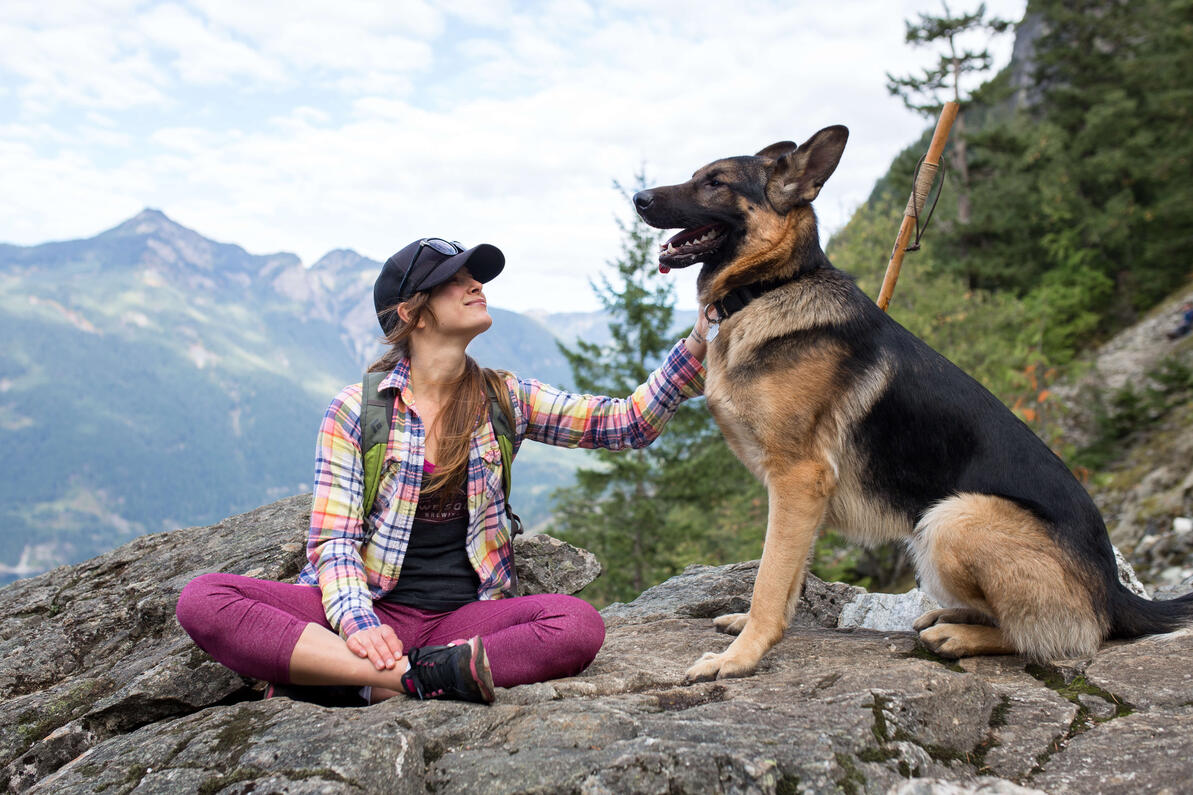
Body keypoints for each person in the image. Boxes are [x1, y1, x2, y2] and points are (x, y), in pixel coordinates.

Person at [176, 237, 709, 705]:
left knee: (578, 624)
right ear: (414, 313)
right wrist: (360, 626)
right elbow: (334, 543)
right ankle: (424, 678)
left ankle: (352, 680)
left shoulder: (505, 396)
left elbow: (625, 424)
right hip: (370, 605)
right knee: (204, 599)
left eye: (473, 276)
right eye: (455, 281)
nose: (475, 285)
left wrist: (699, 344)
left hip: (460, 620)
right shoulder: (356, 410)